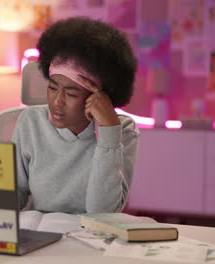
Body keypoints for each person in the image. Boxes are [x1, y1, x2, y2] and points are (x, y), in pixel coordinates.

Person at [12, 16, 139, 214]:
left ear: (100, 96)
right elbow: (14, 196)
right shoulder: (31, 122)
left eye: (71, 93)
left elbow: (103, 213)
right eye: (53, 88)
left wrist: (108, 131)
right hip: (42, 234)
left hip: (95, 238)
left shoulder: (121, 129)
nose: (57, 101)